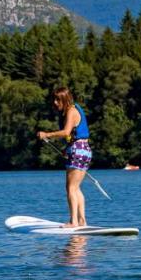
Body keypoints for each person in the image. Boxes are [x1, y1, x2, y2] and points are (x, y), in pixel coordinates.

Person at [38, 87, 90, 228]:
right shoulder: (72, 110)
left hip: (78, 150)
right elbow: (71, 135)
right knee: (76, 188)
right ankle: (82, 221)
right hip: (82, 150)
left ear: (65, 100)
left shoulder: (72, 111)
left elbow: (66, 131)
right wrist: (67, 149)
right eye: (54, 100)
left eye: (58, 100)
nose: (55, 102)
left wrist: (47, 134)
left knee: (71, 188)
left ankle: (73, 222)